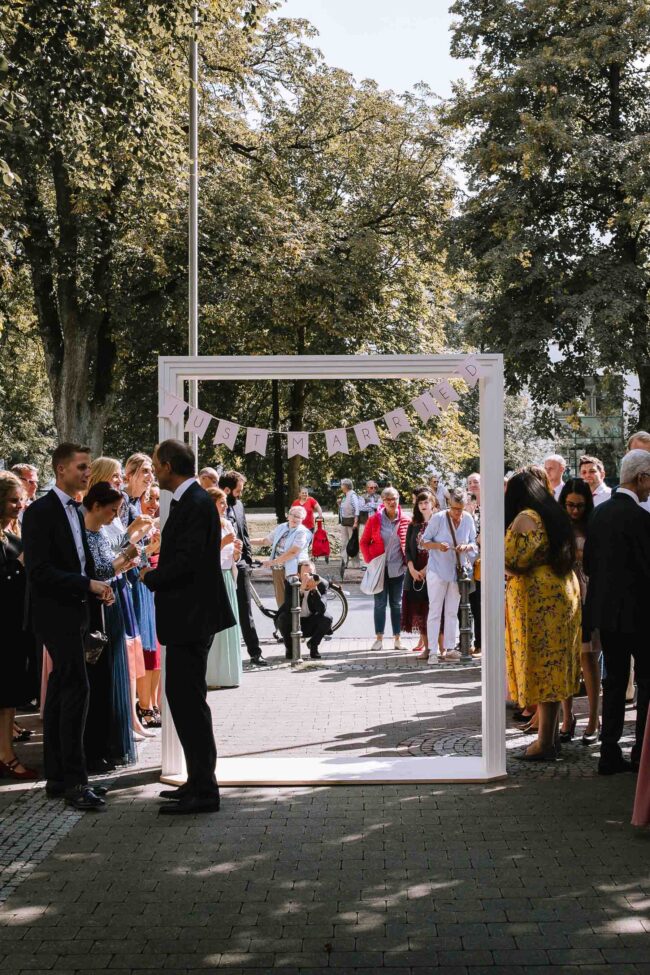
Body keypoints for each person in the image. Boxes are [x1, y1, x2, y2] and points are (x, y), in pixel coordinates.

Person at [141, 439, 235, 815]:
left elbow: (187, 562)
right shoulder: (192, 499)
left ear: (166, 465)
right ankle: (196, 781)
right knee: (184, 701)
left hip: (191, 618)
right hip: (190, 616)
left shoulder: (194, 502)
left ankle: (204, 790)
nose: (154, 471)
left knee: (189, 702)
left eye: (155, 465)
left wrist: (153, 576)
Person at [22, 443, 114, 810]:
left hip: (77, 610)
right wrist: (87, 585)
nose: (87, 473)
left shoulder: (77, 509)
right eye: (81, 467)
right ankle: (76, 782)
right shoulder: (41, 512)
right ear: (60, 470)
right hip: (52, 613)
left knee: (61, 690)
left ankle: (58, 777)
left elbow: (80, 560)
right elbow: (40, 571)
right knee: (77, 688)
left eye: (89, 467)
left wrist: (98, 587)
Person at [504, 468, 581, 761]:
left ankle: (544, 743)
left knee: (544, 665)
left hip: (540, 599)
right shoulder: (552, 513)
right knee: (556, 662)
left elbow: (513, 560)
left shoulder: (526, 518)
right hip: (561, 590)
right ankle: (549, 736)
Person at [583, 449, 650, 775]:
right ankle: (640, 751)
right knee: (646, 682)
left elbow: (589, 564)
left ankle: (609, 751)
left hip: (607, 613)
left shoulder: (599, 513)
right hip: (640, 614)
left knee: (614, 680)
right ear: (641, 478)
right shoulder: (641, 518)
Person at [86, 457, 154, 739]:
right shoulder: (98, 510)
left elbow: (121, 547)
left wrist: (139, 543)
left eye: (119, 476)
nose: (120, 480)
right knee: (119, 656)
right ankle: (128, 718)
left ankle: (132, 717)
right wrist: (134, 537)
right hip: (109, 587)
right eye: (115, 476)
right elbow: (110, 551)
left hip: (121, 583)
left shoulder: (119, 506)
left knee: (130, 654)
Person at [83, 482, 139, 772]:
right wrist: (128, 555)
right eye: (113, 509)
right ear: (96, 505)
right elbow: (102, 569)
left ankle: (104, 745)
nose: (115, 515)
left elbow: (107, 566)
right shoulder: (85, 532)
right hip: (92, 612)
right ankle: (93, 749)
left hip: (109, 602)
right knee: (96, 679)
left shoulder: (100, 531)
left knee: (108, 678)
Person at [0, 473, 38, 781]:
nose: (19, 505)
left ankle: (6, 752)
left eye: (20, 500)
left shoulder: (12, 539)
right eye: (13, 500)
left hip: (14, 626)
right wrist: (18, 566)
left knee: (9, 697)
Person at [558, 478, 601, 744]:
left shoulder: (594, 525)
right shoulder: (557, 527)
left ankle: (594, 717)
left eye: (580, 506)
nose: (575, 511)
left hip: (588, 595)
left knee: (589, 659)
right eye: (570, 505)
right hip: (564, 596)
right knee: (565, 661)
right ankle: (567, 717)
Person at [421, 487, 477, 662]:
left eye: (460, 508)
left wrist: (467, 547)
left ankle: (450, 648)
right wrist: (438, 546)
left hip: (457, 571)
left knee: (453, 611)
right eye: (454, 508)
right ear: (448, 505)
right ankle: (432, 651)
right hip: (437, 570)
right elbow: (424, 542)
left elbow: (474, 543)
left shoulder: (468, 519)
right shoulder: (438, 518)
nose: (457, 512)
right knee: (435, 610)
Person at [219, 470, 267, 667]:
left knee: (245, 611)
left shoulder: (239, 506)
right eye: (238, 491)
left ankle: (255, 652)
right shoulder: (213, 507)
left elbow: (244, 532)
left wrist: (247, 559)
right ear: (227, 489)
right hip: (219, 565)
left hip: (240, 564)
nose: (240, 494)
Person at [360, 487, 409, 651]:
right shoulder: (374, 520)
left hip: (398, 569)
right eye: (387, 499)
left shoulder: (405, 520)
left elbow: (409, 545)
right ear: (382, 501)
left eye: (394, 498)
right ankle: (379, 638)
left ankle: (397, 639)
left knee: (397, 604)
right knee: (380, 604)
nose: (391, 502)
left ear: (398, 498)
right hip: (379, 569)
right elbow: (364, 542)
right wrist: (370, 561)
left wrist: (407, 562)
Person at [205, 487, 243, 689]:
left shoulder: (227, 523)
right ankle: (212, 676)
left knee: (229, 625)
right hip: (213, 576)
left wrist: (236, 552)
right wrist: (222, 543)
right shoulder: (203, 524)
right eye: (221, 503)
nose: (225, 506)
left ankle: (228, 674)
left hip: (228, 574)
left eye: (225, 503)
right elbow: (202, 554)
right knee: (215, 629)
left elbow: (233, 555)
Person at [251, 506, 311, 607]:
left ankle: (297, 622)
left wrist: (273, 562)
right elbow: (266, 541)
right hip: (278, 568)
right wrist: (246, 542)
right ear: (288, 516)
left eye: (299, 517)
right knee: (281, 600)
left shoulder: (302, 532)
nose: (295, 519)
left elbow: (293, 552)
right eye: (293, 515)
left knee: (295, 600)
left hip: (295, 569)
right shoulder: (281, 527)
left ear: (302, 519)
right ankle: (284, 621)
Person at [402, 490, 437, 659]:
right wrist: (412, 569)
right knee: (420, 610)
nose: (423, 505)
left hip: (434, 570)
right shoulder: (413, 525)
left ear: (433, 503)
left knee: (435, 610)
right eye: (420, 503)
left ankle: (440, 649)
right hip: (415, 571)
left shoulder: (438, 523)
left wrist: (425, 570)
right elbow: (408, 550)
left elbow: (439, 550)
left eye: (426, 502)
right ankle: (427, 648)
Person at [276, 560, 333, 660]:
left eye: (311, 573)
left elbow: (322, 609)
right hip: (293, 622)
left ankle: (313, 645)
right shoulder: (291, 584)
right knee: (282, 619)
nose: (309, 577)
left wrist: (314, 590)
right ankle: (290, 648)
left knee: (327, 618)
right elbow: (289, 607)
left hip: (311, 622)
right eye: (306, 574)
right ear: (298, 574)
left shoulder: (321, 584)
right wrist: (301, 590)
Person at [338, 478, 361, 570]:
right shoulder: (345, 495)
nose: (341, 486)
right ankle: (344, 562)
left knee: (353, 543)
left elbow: (357, 508)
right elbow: (344, 509)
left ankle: (356, 564)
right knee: (344, 543)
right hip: (344, 522)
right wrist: (339, 504)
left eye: (342, 484)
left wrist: (356, 522)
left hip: (352, 522)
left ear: (346, 486)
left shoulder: (352, 495)